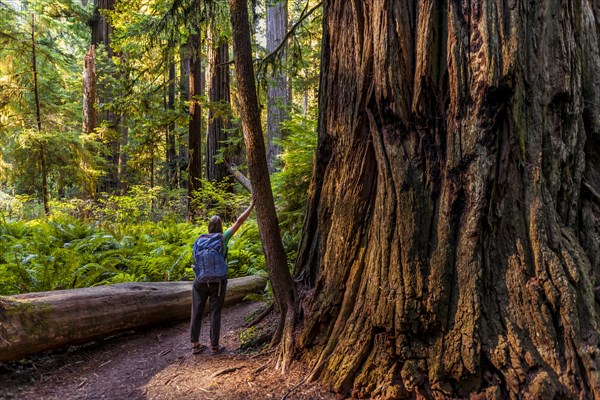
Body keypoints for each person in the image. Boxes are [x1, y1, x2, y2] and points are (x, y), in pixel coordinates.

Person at [190, 196, 256, 355]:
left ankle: (195, 344)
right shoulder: (222, 238)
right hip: (217, 282)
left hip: (199, 282)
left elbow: (194, 259)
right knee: (215, 312)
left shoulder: (199, 240)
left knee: (196, 311)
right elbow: (239, 221)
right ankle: (214, 346)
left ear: (208, 227)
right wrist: (251, 205)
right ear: (220, 227)